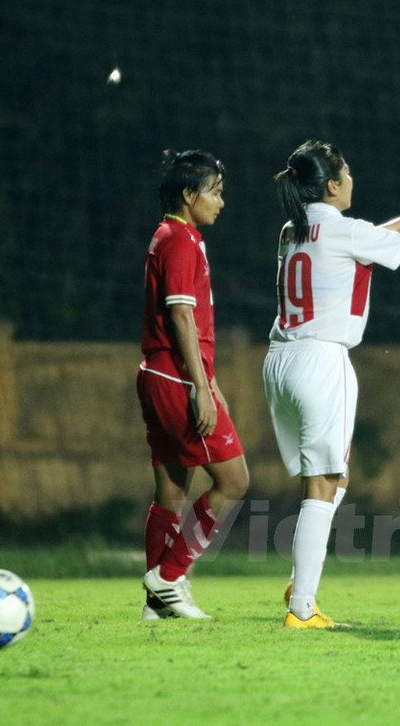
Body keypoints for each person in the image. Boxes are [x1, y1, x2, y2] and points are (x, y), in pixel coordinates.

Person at [264, 140, 400, 629]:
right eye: (348, 172)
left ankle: (303, 578)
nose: (354, 180)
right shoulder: (344, 231)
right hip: (322, 359)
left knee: (333, 480)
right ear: (333, 185)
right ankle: (302, 608)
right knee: (321, 485)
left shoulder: (292, 230)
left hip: (280, 359)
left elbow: (362, 244)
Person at [136, 149, 250, 620]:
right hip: (176, 379)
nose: (221, 201)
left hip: (159, 373)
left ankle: (156, 606)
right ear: (189, 195)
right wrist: (200, 387)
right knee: (234, 480)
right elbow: (181, 316)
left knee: (172, 493)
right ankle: (169, 577)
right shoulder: (180, 241)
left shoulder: (168, 234)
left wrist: (211, 379)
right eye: (215, 191)